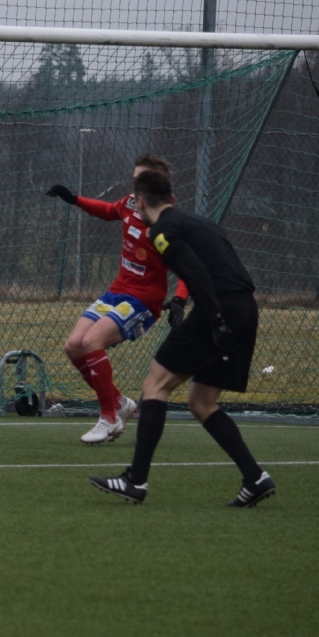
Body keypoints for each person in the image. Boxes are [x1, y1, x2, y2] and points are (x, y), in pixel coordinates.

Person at [89, 169, 276, 507]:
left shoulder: (162, 231)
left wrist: (215, 318)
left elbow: (196, 271)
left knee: (155, 384)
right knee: (201, 402)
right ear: (172, 199)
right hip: (245, 307)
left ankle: (135, 480)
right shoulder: (197, 222)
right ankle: (255, 478)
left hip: (218, 308)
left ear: (140, 202)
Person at [46, 153, 188, 445]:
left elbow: (188, 267)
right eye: (135, 179)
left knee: (91, 342)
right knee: (73, 346)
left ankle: (109, 418)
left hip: (143, 301)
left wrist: (180, 299)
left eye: (142, 179)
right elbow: (109, 210)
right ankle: (121, 403)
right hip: (116, 291)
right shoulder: (129, 203)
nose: (136, 185)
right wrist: (74, 199)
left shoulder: (166, 223)